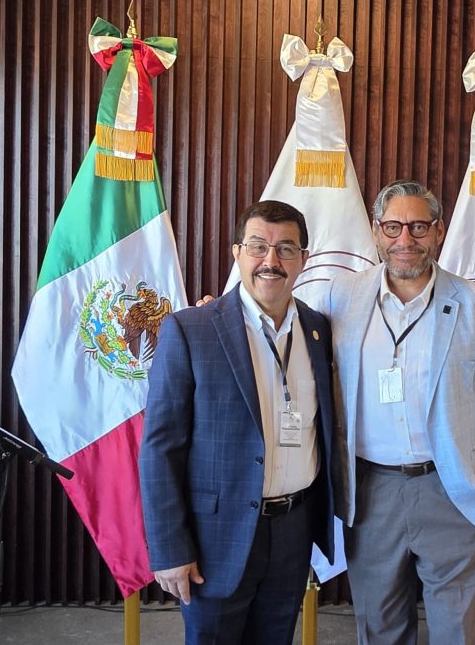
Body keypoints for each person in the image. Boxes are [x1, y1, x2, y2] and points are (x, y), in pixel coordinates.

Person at [319, 179, 475, 644]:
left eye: (418, 227)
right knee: (381, 627)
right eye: (392, 227)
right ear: (376, 231)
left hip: (452, 489)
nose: (404, 239)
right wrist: (217, 313)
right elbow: (282, 333)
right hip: (370, 493)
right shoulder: (339, 298)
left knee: (457, 632)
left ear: (439, 230)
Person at [139, 200, 338, 644]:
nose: (271, 260)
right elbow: (160, 448)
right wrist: (169, 547)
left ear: (304, 259)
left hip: (294, 530)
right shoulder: (191, 329)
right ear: (237, 253)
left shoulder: (318, 329)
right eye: (258, 246)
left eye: (286, 249)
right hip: (215, 537)